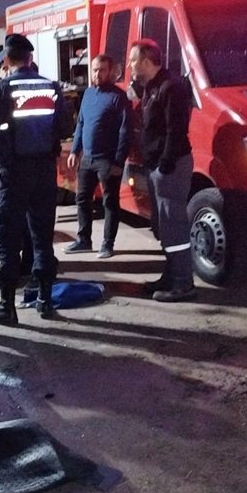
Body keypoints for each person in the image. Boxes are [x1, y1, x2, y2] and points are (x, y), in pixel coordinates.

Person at [0, 34, 72, 323]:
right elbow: (66, 126)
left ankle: (7, 306)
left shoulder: (2, 89)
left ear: (7, 60)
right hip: (44, 171)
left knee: (8, 238)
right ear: (30, 59)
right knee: (42, 238)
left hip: (13, 172)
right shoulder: (51, 87)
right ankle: (45, 301)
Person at [129, 38, 197, 302]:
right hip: (157, 165)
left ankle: (183, 283)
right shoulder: (153, 87)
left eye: (134, 60)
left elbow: (175, 129)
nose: (131, 65)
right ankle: (171, 275)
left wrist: (166, 162)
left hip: (170, 166)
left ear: (146, 61)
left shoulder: (171, 88)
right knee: (163, 227)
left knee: (174, 227)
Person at [64, 54, 130, 259]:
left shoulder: (118, 97)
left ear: (110, 71)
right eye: (94, 70)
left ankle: (107, 244)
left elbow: (125, 131)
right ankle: (84, 240)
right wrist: (75, 150)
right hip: (87, 159)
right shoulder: (89, 94)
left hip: (107, 161)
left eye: (101, 70)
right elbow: (81, 124)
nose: (97, 74)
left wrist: (119, 161)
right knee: (82, 199)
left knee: (110, 202)